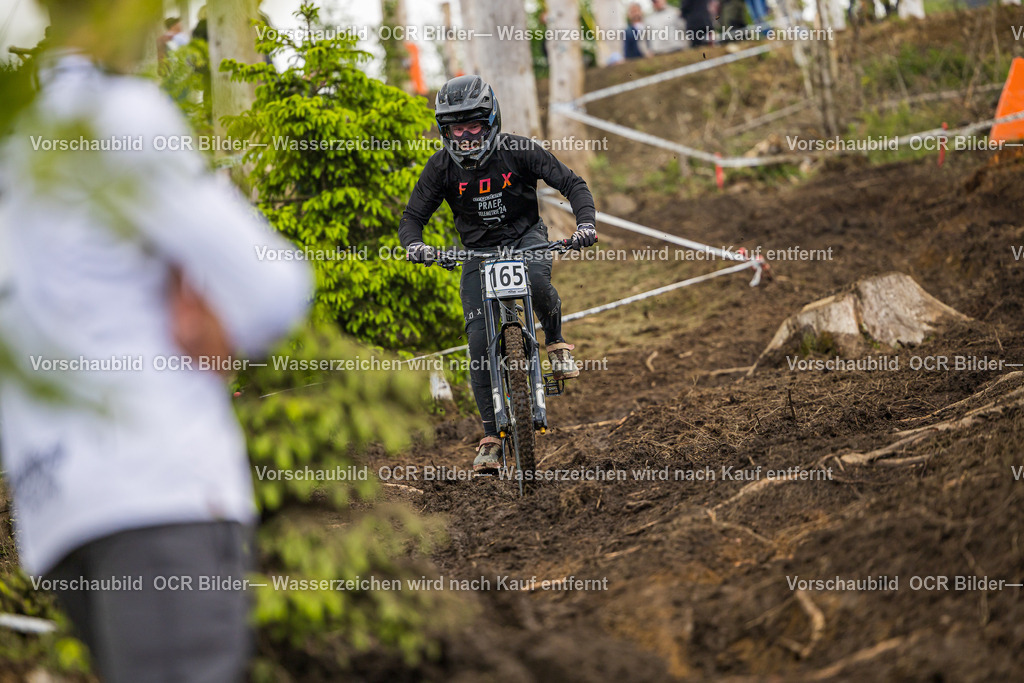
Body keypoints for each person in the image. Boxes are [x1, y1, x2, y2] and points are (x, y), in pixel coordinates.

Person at [0, 0, 311, 680]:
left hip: (54, 511)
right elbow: (275, 287)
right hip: (157, 486)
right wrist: (213, 318)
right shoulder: (117, 116)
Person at [399, 75, 597, 474]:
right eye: (457, 128)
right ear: (445, 130)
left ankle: (556, 343)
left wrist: (586, 224)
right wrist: (415, 246)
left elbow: (571, 183)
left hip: (526, 238)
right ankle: (490, 436)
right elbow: (412, 218)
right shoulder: (440, 167)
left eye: (474, 125)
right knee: (476, 342)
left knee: (538, 282)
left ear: (491, 120)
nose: (466, 135)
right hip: (477, 253)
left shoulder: (519, 150)